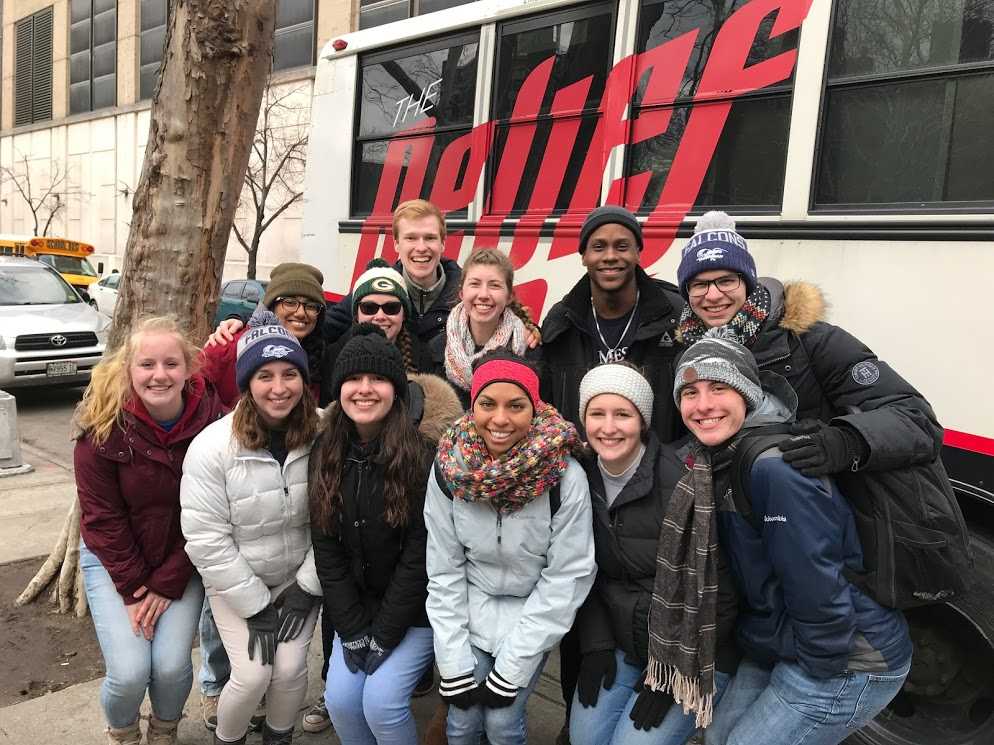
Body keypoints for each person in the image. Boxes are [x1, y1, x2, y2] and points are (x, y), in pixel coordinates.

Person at [670, 332, 912, 745]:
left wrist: (818, 675)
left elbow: (815, 578)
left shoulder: (774, 468)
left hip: (846, 655)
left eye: (718, 387)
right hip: (782, 640)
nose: (703, 404)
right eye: (689, 392)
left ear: (747, 394)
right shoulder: (716, 458)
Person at [538, 205, 685, 741]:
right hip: (591, 477)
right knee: (591, 587)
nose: (610, 256)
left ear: (639, 251)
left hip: (660, 476)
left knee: (666, 581)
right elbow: (545, 402)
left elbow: (699, 390)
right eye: (598, 246)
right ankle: (584, 700)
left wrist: (675, 466)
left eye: (622, 244)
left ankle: (662, 682)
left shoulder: (673, 314)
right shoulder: (563, 320)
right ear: (582, 255)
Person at [674, 211, 942, 480]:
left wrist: (845, 442)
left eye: (726, 280)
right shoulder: (685, 352)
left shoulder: (812, 340)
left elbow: (916, 419)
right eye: (699, 284)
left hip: (818, 502)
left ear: (748, 283)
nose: (713, 295)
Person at [425, 351, 597, 745]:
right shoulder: (449, 470)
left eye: (516, 406)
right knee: (462, 721)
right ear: (473, 406)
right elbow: (444, 568)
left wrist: (512, 668)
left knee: (502, 723)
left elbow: (567, 575)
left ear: (533, 410)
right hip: (469, 608)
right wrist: (452, 663)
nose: (500, 420)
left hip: (530, 614)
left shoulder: (563, 476)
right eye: (487, 404)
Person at [569, 362, 738, 745]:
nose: (608, 428)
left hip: (690, 653)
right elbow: (585, 572)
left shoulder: (685, 482)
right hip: (620, 639)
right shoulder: (581, 477)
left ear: (642, 420)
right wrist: (595, 645)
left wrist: (670, 677)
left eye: (623, 414)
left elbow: (719, 596)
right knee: (585, 738)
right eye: (597, 413)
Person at [74, 316, 225, 745]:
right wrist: (137, 588)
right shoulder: (101, 428)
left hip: (183, 557)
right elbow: (102, 519)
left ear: (188, 368)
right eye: (147, 365)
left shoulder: (214, 422)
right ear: (128, 370)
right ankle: (122, 733)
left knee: (173, 666)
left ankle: (164, 731)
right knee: (129, 672)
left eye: (171, 364)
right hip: (115, 561)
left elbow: (212, 513)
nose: (160, 375)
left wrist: (166, 582)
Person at [197, 261, 330, 733]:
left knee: (293, 670)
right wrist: (254, 604)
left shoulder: (321, 434)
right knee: (252, 674)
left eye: (290, 375)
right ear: (247, 383)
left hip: (297, 579)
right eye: (265, 376)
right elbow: (206, 538)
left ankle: (279, 737)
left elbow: (333, 518)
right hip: (238, 584)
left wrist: (307, 586)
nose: (279, 387)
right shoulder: (213, 445)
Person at [310, 327, 442, 745]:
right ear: (339, 389)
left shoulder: (422, 457)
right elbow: (325, 548)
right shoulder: (324, 451)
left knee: (382, 703)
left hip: (412, 613)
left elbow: (420, 554)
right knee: (342, 702)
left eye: (378, 379)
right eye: (354, 379)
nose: (365, 390)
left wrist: (383, 634)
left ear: (396, 391)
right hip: (355, 611)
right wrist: (351, 629)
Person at [324, 199, 461, 345]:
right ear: (396, 244)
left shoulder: (466, 294)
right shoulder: (374, 286)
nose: (421, 247)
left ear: (443, 243)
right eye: (411, 238)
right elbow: (325, 331)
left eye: (430, 238)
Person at [201, 262, 326, 409]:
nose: (300, 313)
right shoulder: (226, 346)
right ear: (271, 305)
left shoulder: (318, 356)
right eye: (290, 302)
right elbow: (192, 401)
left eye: (311, 306)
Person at [320, 259, 439, 405]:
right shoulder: (333, 356)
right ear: (356, 314)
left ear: (404, 315)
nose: (380, 316)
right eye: (369, 308)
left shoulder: (425, 357)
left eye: (391, 308)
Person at [433, 248, 537, 409]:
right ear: (462, 293)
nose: (483, 294)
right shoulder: (437, 349)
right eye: (475, 284)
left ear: (509, 296)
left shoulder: (530, 351)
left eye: (494, 285)